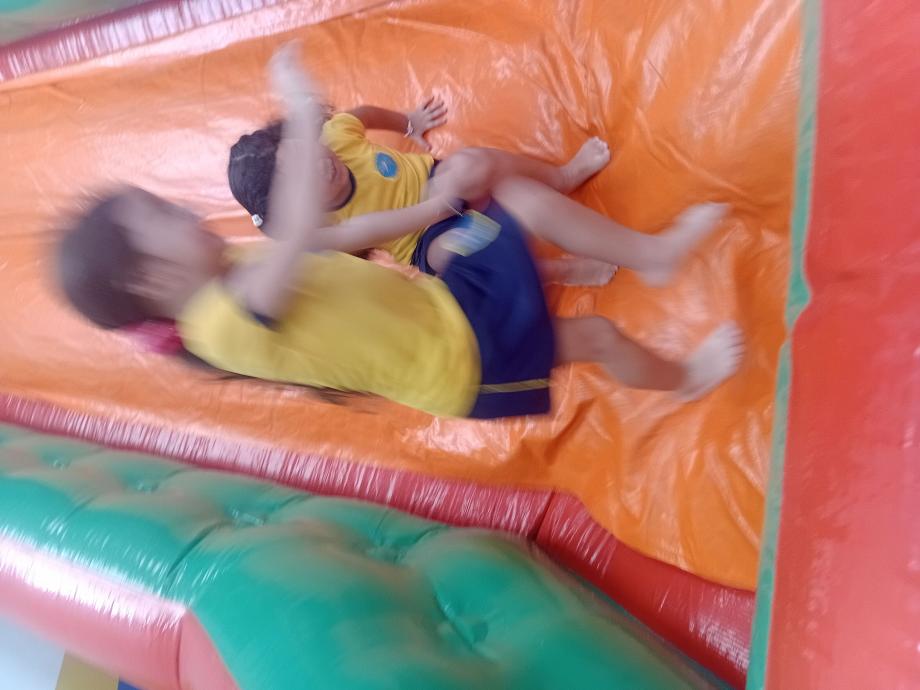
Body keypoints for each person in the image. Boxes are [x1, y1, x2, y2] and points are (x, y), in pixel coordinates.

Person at [54, 44, 743, 419]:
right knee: (598, 336)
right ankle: (686, 378)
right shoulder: (218, 326)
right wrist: (297, 110)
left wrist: (430, 197)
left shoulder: (233, 265)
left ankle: (651, 256)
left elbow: (335, 232)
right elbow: (303, 234)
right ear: (149, 278)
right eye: (164, 217)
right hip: (460, 362)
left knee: (518, 203)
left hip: (447, 307)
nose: (186, 212)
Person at [228, 80, 616, 286]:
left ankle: (562, 177)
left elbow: (362, 114)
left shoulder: (336, 137)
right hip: (424, 239)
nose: (317, 164)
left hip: (436, 182)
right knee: (459, 256)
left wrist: (409, 122)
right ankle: (564, 272)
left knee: (472, 163)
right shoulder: (328, 228)